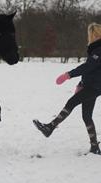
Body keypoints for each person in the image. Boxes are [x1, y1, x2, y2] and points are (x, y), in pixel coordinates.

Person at [33, 22, 101, 155]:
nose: (94, 36)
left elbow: (87, 67)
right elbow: (91, 69)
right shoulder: (95, 49)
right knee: (86, 115)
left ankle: (50, 127)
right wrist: (81, 84)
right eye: (94, 34)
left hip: (96, 86)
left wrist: (68, 75)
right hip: (91, 85)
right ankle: (94, 147)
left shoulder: (99, 50)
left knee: (71, 103)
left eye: (96, 34)